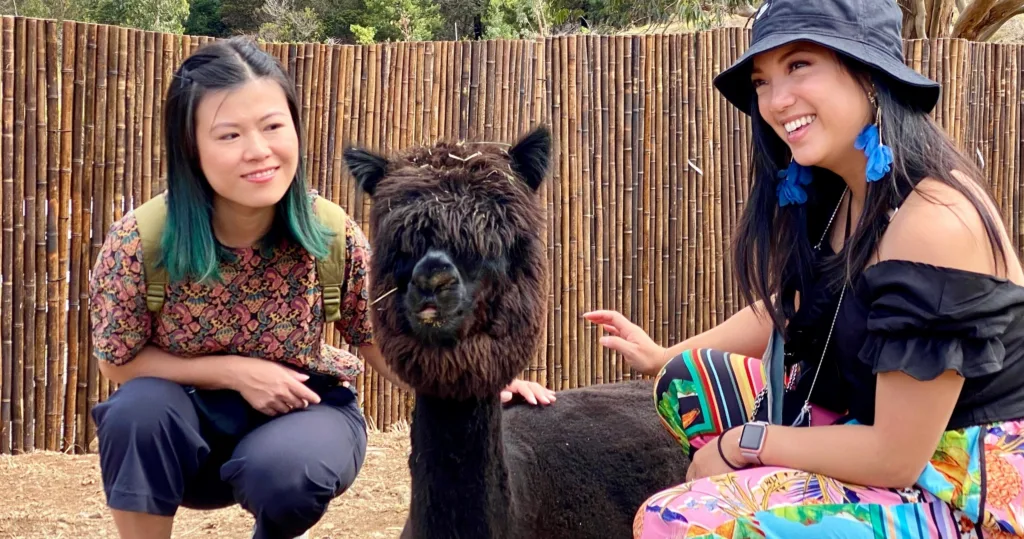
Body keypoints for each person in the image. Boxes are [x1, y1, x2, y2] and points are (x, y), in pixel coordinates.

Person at [586, 0, 1024, 537]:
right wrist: (663, 355)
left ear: (868, 73)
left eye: (798, 66)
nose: (775, 101)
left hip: (960, 488)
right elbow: (788, 311)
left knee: (675, 520)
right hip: (865, 427)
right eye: (762, 80)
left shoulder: (933, 221)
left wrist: (746, 444)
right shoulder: (844, 195)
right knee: (685, 384)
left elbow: (895, 456)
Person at [88, 36, 554, 539]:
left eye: (272, 126)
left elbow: (379, 340)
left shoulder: (328, 232)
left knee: (291, 471)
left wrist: (477, 387)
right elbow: (116, 361)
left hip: (302, 412)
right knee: (136, 413)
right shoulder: (142, 241)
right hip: (182, 428)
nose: (259, 151)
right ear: (189, 145)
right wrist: (237, 373)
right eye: (229, 135)